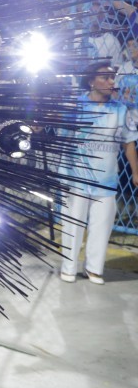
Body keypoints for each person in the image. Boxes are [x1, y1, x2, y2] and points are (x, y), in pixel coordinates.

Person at [59, 61, 138, 284]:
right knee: (72, 222)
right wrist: (62, 172)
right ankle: (69, 267)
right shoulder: (75, 107)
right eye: (105, 77)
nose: (111, 82)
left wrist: (135, 172)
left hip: (107, 176)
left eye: (113, 77)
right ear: (91, 81)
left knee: (102, 225)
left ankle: (94, 268)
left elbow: (129, 142)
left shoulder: (121, 110)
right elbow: (62, 139)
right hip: (76, 175)